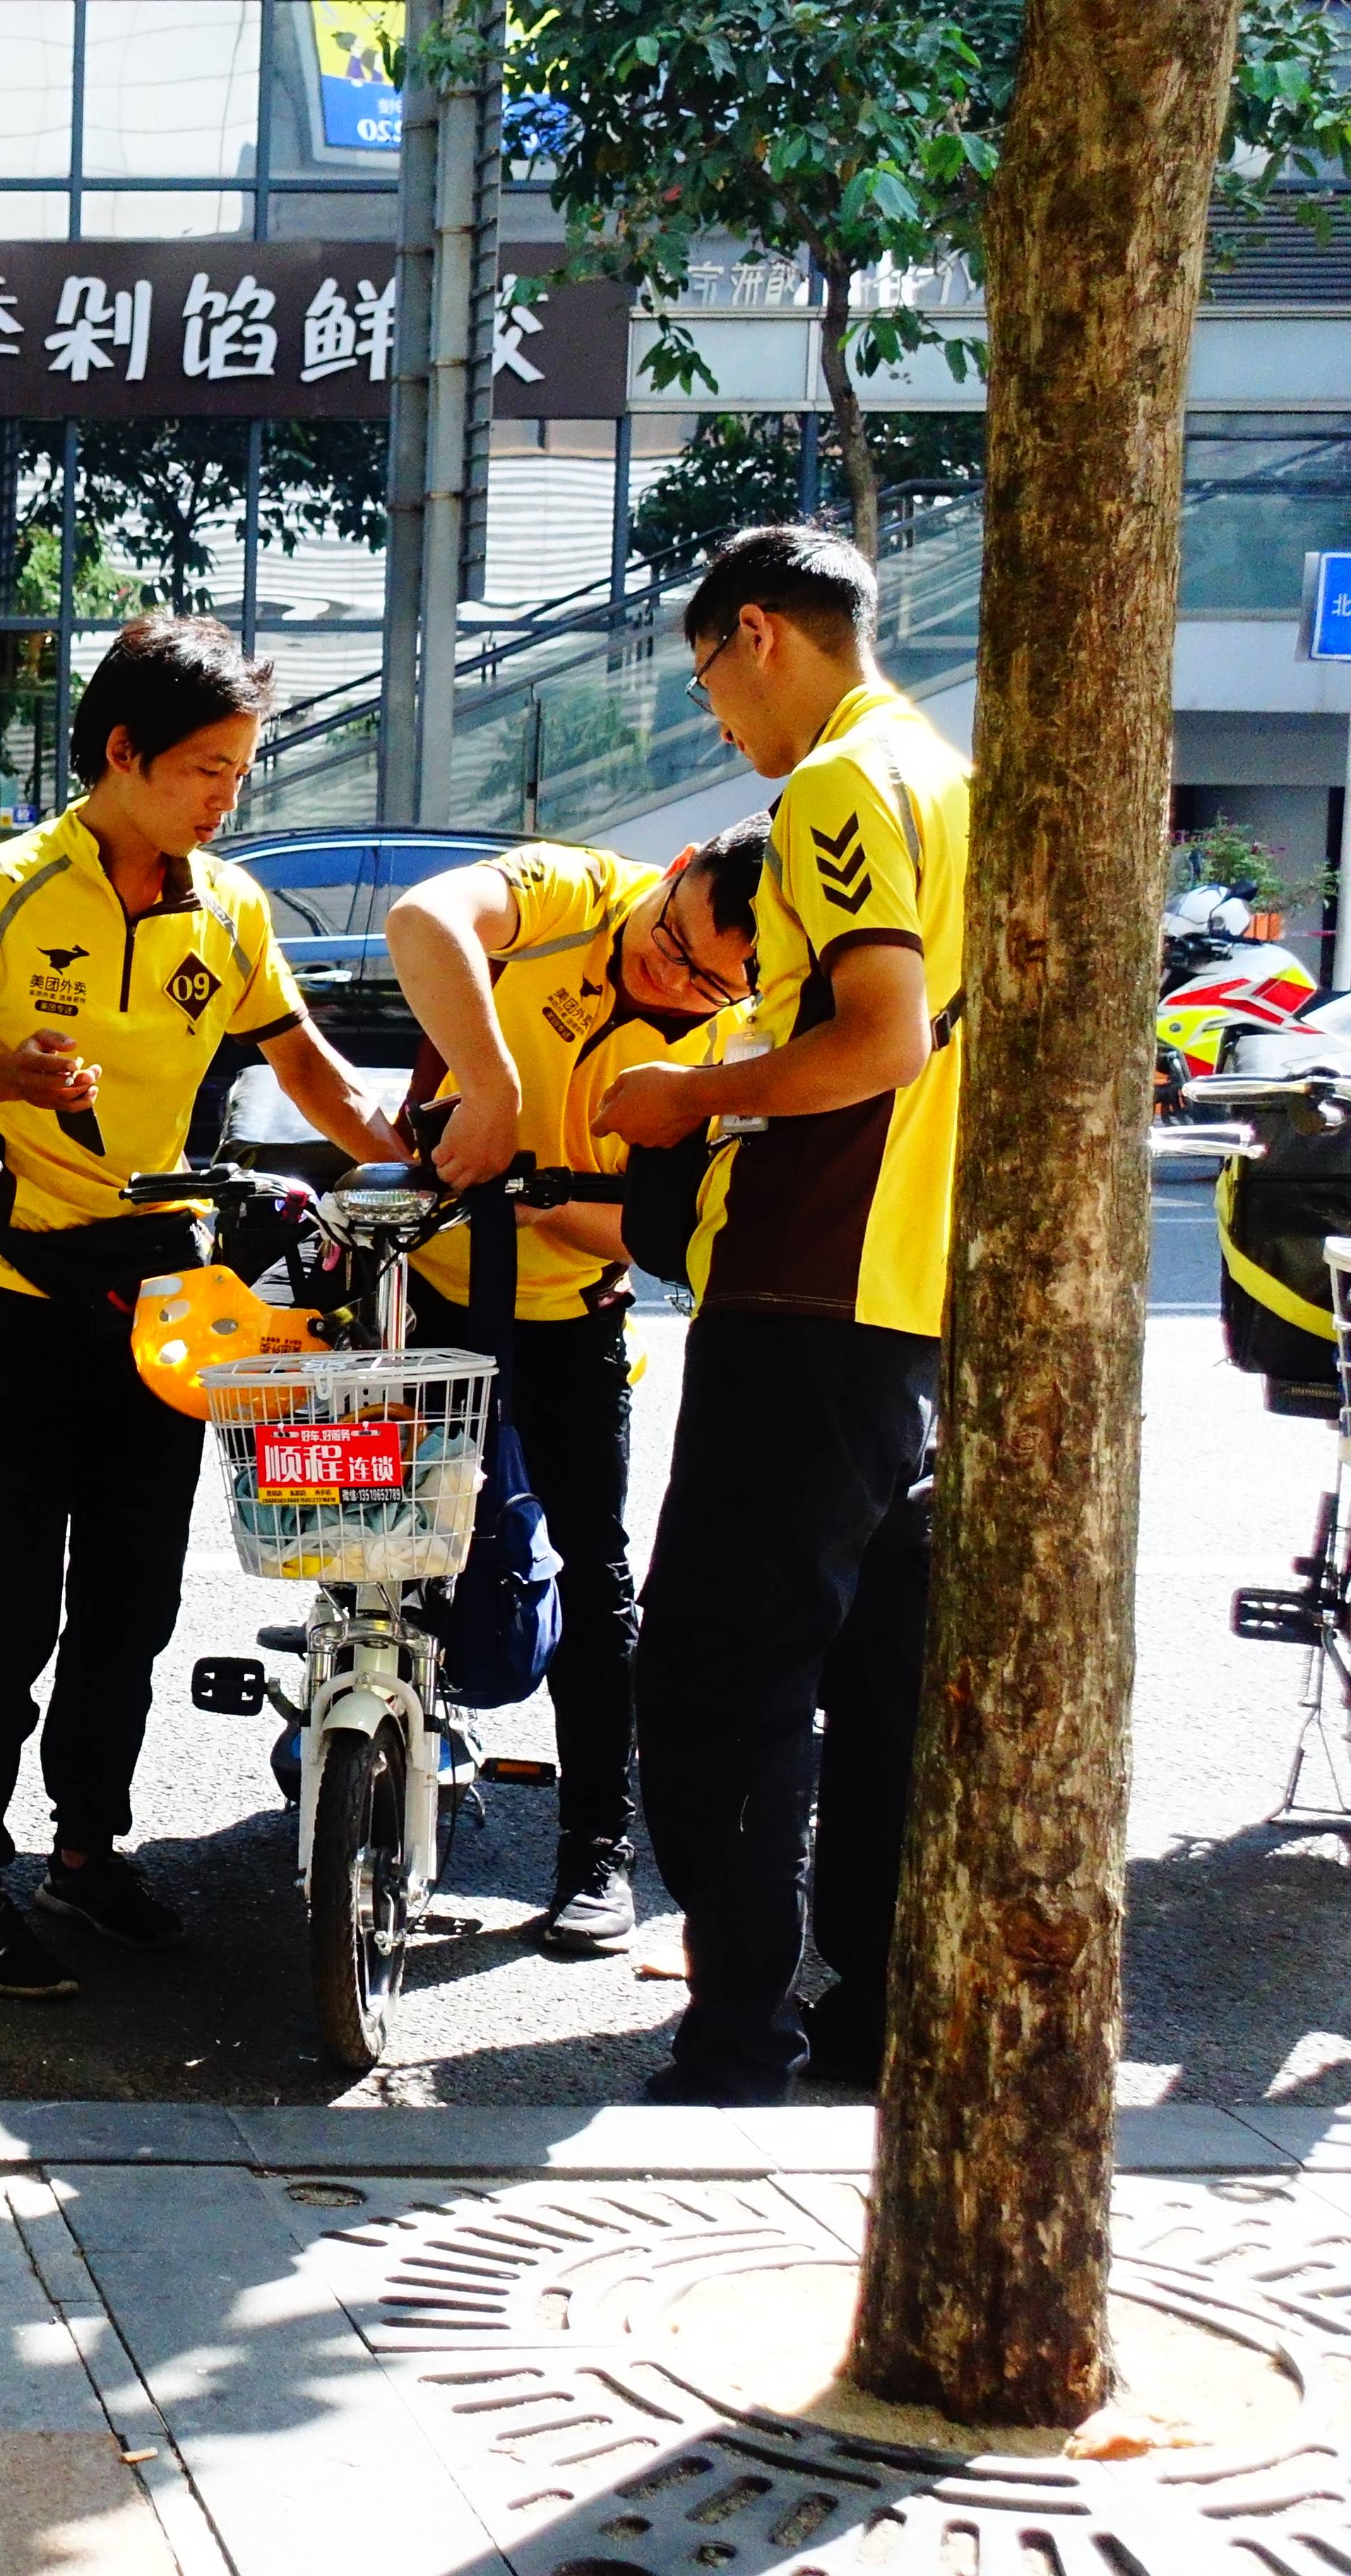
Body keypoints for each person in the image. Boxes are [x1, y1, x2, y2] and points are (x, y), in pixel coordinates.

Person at [0, 612, 412, 2001]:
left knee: (133, 1605)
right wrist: (7, 1079)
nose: (230, 797)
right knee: (5, 1615)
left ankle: (88, 1850)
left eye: (240, 771)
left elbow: (319, 1080)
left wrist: (440, 1143)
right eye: (210, 770)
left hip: (171, 1304)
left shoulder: (228, 911)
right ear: (123, 752)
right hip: (17, 1297)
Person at [595, 523, 965, 2105]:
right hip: (915, 1302)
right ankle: (871, 2010)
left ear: (761, 633)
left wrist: (697, 1090)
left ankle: (738, 2031)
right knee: (876, 1682)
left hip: (816, 1282)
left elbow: (876, 1036)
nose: (721, 725)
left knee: (712, 1677)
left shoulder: (832, 786)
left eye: (709, 683)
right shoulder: (953, 777)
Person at [381, 818, 768, 1955]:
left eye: (709, 980)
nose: (676, 975)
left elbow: (676, 1231)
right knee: (385, 1545)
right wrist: (493, 1088)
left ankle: (598, 1848)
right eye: (677, 939)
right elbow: (423, 921)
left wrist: (543, 1202)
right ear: (681, 870)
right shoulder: (574, 890)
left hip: (569, 1317)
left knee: (598, 1581)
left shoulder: (740, 1032)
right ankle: (361, 1753)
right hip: (426, 1291)